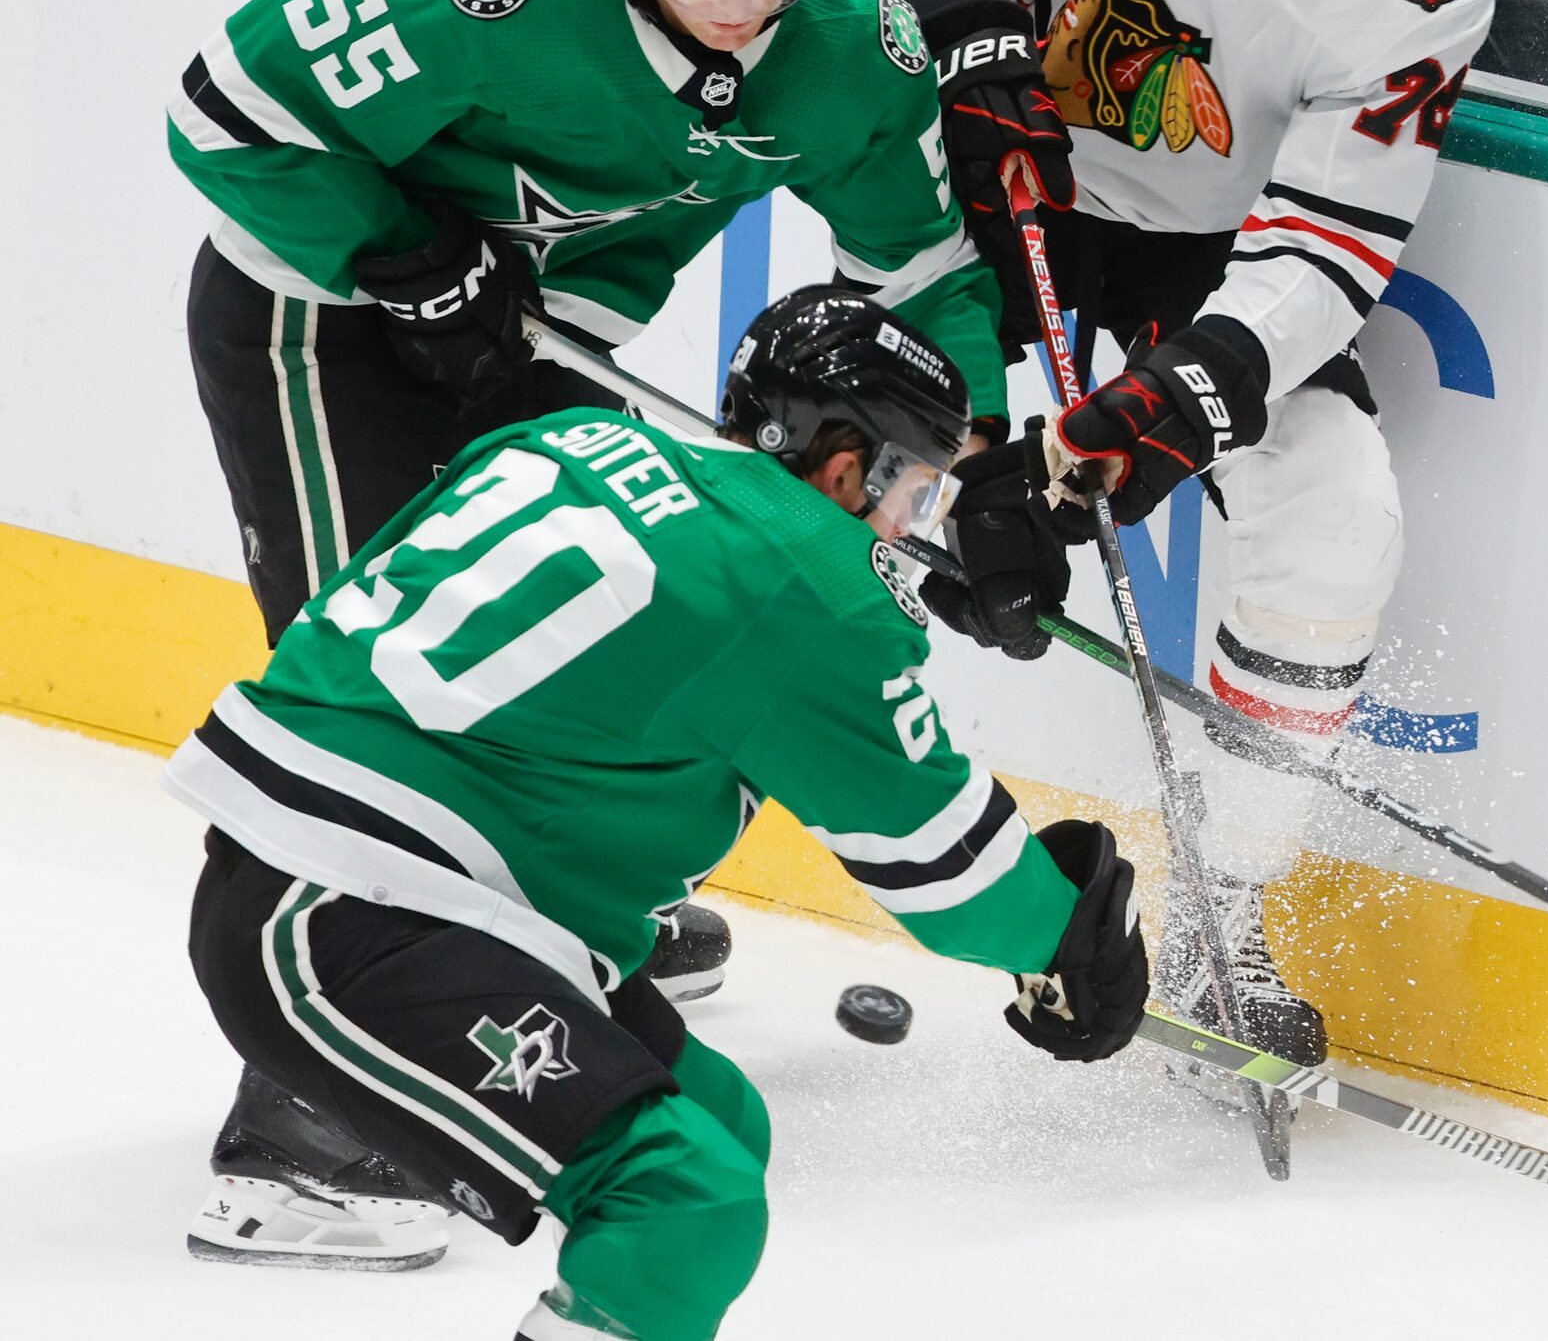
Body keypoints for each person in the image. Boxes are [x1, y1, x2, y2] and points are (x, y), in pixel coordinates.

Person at [167, 0, 1008, 1262]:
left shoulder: (853, 44)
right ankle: (304, 1126)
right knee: (379, 653)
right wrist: (404, 247)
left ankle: (525, 932)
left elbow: (925, 267)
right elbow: (222, 112)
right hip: (324, 316)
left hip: (537, 338)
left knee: (577, 617)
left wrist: (994, 466)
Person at [162, 283, 1149, 1338]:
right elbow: (956, 881)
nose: (914, 533)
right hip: (359, 918)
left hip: (329, 877)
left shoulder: (579, 437)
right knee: (689, 1199)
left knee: (722, 1121)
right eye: (918, 495)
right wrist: (1080, 940)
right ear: (849, 466)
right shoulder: (806, 584)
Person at [886, 0, 1494, 1069]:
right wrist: (973, 44)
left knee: (1336, 512)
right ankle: (643, 843)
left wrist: (1167, 412)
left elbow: (1326, 246)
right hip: (1003, 172)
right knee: (858, 462)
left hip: (1203, 249)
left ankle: (1221, 923)